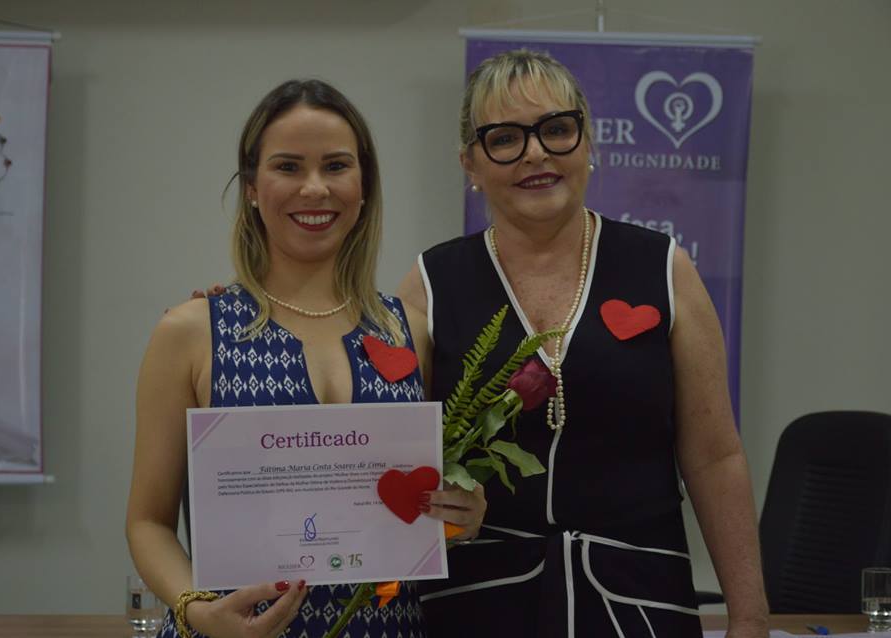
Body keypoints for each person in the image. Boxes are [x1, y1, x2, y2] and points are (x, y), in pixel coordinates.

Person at [397, 49, 770, 637]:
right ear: (470, 162)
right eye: (505, 138)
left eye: (556, 129)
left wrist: (749, 617)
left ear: (587, 140)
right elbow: (391, 457)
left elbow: (714, 456)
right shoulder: (429, 285)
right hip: (479, 607)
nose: (535, 153)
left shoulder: (664, 269)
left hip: (641, 602)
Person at [126, 79, 484, 638]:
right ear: (252, 187)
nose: (314, 188)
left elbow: (423, 509)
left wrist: (463, 516)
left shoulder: (409, 332)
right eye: (288, 167)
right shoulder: (191, 332)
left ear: (364, 186)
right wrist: (197, 609)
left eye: (336, 166)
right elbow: (148, 522)